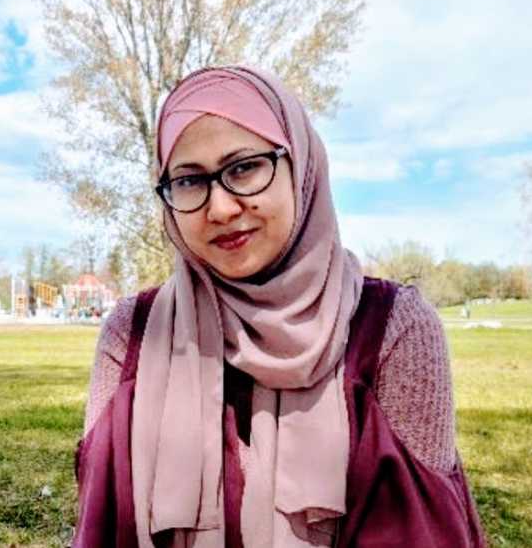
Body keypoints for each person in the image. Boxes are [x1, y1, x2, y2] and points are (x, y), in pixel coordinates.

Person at [73, 66, 486, 547]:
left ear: (300, 166)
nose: (221, 208)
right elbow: (101, 527)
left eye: (244, 167)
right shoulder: (134, 336)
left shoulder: (391, 330)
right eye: (188, 180)